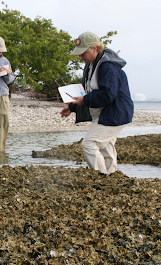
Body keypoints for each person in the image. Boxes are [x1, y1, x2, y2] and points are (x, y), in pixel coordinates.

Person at [60, 31, 134, 175]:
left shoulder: (108, 67)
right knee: (106, 146)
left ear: (95, 48)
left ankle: (100, 176)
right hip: (104, 113)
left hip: (115, 113)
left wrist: (85, 100)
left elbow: (108, 94)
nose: (80, 56)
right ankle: (111, 176)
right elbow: (86, 92)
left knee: (89, 144)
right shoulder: (91, 65)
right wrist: (72, 107)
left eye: (83, 52)